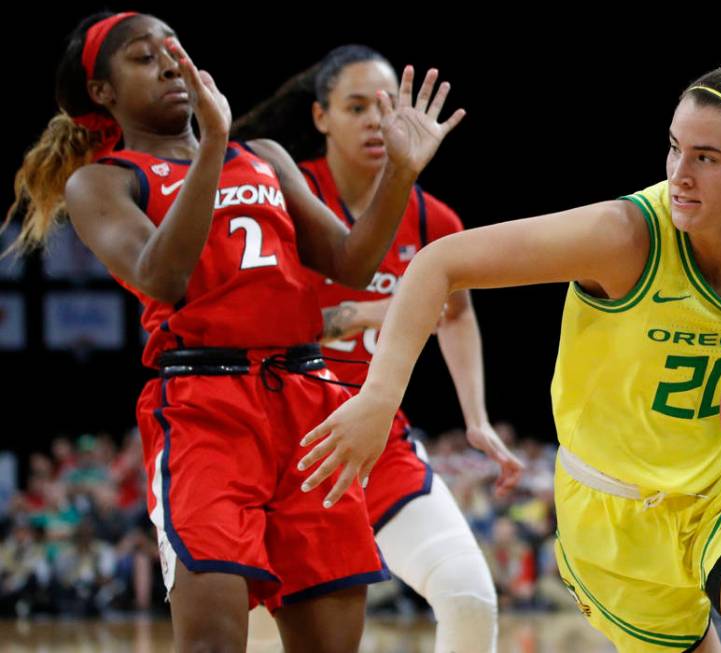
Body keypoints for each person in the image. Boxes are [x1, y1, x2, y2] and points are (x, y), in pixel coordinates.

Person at [297, 65, 721, 652]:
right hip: (613, 517)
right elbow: (439, 263)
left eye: (706, 158)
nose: (680, 173)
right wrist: (378, 400)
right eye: (675, 147)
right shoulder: (627, 236)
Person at [4, 11, 461, 652]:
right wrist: (211, 148)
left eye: (175, 48)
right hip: (205, 409)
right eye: (143, 56)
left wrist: (400, 174)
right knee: (214, 642)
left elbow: (353, 263)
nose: (170, 63)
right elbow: (161, 275)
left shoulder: (266, 158)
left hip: (308, 402)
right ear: (103, 93)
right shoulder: (103, 181)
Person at [231, 44, 521, 652]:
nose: (373, 120)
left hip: (375, 439)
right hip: (278, 442)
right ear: (320, 118)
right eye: (354, 106)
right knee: (260, 633)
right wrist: (369, 312)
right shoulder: (277, 194)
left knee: (469, 595)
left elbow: (457, 315)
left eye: (383, 106)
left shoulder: (434, 220)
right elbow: (249, 318)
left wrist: (475, 418)